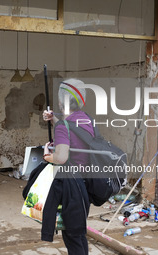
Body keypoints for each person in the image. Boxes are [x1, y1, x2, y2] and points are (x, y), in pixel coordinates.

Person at [41, 78, 94, 255]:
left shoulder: (64, 126)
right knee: (78, 234)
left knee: (72, 236)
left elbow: (61, 157)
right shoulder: (86, 119)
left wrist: (48, 155)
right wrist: (54, 119)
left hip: (70, 187)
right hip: (83, 186)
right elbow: (72, 131)